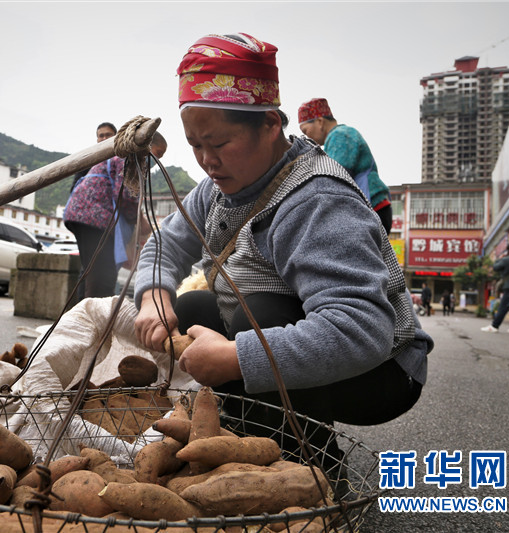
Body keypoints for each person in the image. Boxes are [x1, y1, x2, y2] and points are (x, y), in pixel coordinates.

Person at [133, 33, 433, 474]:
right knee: (193, 305)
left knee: (261, 312)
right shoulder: (215, 188)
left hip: (382, 370)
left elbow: (362, 328)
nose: (206, 161)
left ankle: (309, 471)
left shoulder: (317, 199)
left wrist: (235, 358)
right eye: (195, 145)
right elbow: (167, 242)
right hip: (296, 336)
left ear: (271, 125)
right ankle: (266, 439)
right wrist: (152, 295)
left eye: (218, 144)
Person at [63, 132, 167, 299]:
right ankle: (95, 319)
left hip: (83, 214)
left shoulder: (122, 156)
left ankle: (81, 315)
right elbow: (126, 195)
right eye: (158, 154)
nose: (158, 160)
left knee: (91, 271)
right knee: (103, 275)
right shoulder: (130, 157)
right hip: (94, 215)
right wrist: (139, 220)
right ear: (147, 146)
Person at [297, 98, 392, 235]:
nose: (306, 137)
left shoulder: (340, 135)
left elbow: (333, 179)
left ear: (319, 121)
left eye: (305, 131)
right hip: (376, 210)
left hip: (374, 210)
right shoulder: (340, 135)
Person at [70, 122, 118, 192]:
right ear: (97, 140)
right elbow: (74, 190)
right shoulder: (86, 162)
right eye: (101, 136)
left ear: (116, 136)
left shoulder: (124, 158)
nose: (105, 138)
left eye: (108, 135)